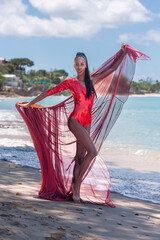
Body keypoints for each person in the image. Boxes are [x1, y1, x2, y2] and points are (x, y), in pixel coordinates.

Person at [19, 44, 126, 203]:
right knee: (93, 152)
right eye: (76, 64)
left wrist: (123, 53)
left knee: (80, 157)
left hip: (87, 122)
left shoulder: (92, 81)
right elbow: (49, 92)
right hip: (75, 120)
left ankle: (75, 190)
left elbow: (111, 69)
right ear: (74, 65)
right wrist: (30, 104)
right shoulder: (70, 82)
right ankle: (76, 186)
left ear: (86, 65)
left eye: (82, 64)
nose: (79, 67)